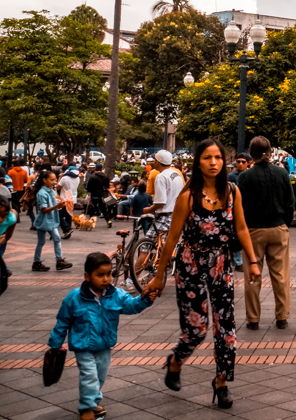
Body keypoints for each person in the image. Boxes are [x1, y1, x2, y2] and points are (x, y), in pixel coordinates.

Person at [142, 139, 260, 410]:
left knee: (226, 328)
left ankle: (221, 382)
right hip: (189, 264)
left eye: (218, 157)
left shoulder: (233, 191)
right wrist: (158, 276)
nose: (214, 162)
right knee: (196, 329)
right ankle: (176, 361)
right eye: (207, 158)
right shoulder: (188, 196)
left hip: (221, 263)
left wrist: (252, 261)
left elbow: (241, 229)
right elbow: (171, 239)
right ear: (198, 162)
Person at [49, 252, 155, 420]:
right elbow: (62, 322)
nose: (106, 279)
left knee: (99, 377)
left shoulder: (116, 295)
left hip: (105, 346)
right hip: (83, 347)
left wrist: (146, 299)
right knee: (89, 376)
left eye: (108, 274)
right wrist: (55, 343)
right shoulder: (74, 298)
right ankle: (87, 408)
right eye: (100, 275)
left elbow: (131, 305)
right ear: (87, 276)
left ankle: (93, 401)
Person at [236, 136, 294, 330]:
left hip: (253, 231)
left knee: (253, 275)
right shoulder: (282, 173)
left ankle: (253, 319)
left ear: (251, 154)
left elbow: (240, 207)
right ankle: (282, 317)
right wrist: (284, 223)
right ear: (269, 152)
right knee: (280, 275)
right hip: (278, 228)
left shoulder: (245, 177)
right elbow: (290, 203)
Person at [32, 170, 72, 272]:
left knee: (42, 242)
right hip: (45, 220)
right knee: (55, 239)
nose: (54, 182)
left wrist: (61, 204)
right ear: (44, 180)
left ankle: (37, 262)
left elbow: (56, 203)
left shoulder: (50, 191)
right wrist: (57, 206)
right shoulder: (42, 193)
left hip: (49, 220)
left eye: (54, 180)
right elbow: (43, 210)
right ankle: (58, 260)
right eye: (52, 180)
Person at [144, 151, 184, 238]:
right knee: (165, 244)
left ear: (158, 162)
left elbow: (161, 202)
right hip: (176, 215)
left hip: (165, 216)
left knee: (146, 244)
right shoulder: (177, 174)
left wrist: (150, 209)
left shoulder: (161, 176)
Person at [58, 164, 80, 240]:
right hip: (73, 199)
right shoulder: (78, 179)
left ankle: (67, 229)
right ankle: (67, 232)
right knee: (68, 216)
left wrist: (60, 177)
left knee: (58, 215)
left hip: (64, 199)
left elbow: (58, 187)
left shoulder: (65, 178)